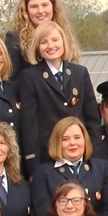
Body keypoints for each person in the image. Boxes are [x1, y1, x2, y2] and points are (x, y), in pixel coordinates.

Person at [15, 21, 99, 165]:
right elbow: (30, 126)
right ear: (37, 47)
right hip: (48, 157)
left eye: (55, 40)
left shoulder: (80, 73)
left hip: (80, 157)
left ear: (63, 42)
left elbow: (92, 119)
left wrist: (95, 158)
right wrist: (33, 165)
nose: (51, 46)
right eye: (44, 42)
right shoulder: (30, 77)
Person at [28, 117, 108, 216]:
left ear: (85, 140)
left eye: (77, 137)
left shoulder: (101, 167)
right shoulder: (43, 172)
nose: (72, 143)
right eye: (65, 139)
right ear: (57, 142)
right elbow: (43, 215)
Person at [5, 0, 72, 74]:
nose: (40, 11)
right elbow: (12, 79)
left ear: (53, 6)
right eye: (34, 6)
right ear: (25, 10)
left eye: (45, 5)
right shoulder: (15, 39)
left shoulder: (64, 32)